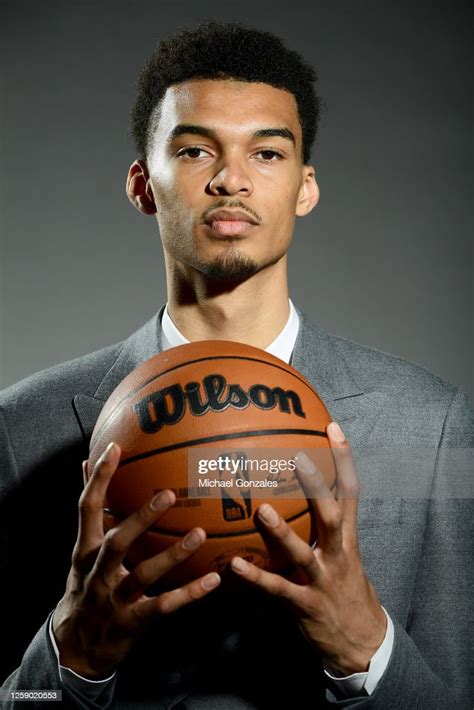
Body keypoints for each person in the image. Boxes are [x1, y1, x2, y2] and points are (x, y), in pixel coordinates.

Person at [0, 21, 472, 710]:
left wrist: (368, 650)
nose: (230, 179)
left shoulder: (430, 426)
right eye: (195, 151)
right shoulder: (22, 429)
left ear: (305, 188)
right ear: (142, 184)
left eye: (268, 153)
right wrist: (71, 660)